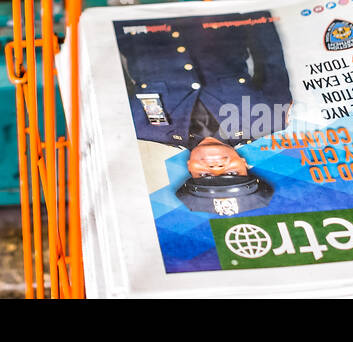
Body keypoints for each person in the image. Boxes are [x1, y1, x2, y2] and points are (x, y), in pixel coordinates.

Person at [115, 11, 292, 215]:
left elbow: (110, 75)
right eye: (232, 172)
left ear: (189, 168)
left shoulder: (141, 128)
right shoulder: (270, 119)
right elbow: (270, 55)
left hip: (139, 17)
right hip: (213, 11)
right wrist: (256, 10)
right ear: (246, 164)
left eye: (204, 175)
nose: (216, 167)